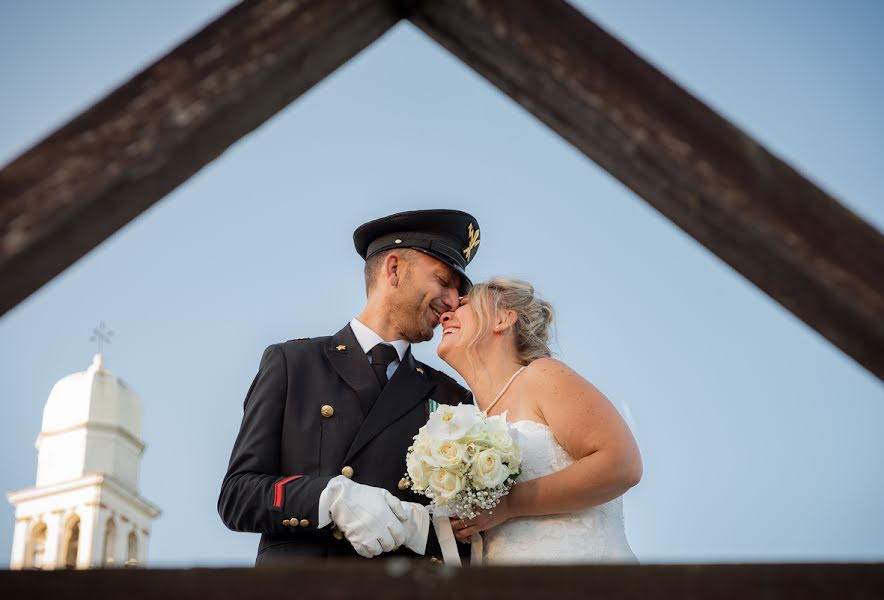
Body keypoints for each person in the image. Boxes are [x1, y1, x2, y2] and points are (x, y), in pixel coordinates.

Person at [218, 209, 482, 564]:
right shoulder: (293, 362)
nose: (453, 301)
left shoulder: (451, 398)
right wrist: (329, 497)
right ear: (394, 269)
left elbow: (467, 537)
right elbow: (237, 496)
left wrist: (418, 527)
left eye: (458, 291)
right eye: (443, 281)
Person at [439, 278, 642, 564]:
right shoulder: (469, 422)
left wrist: (508, 504)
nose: (445, 315)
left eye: (464, 305)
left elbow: (623, 464)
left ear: (503, 319)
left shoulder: (542, 376)